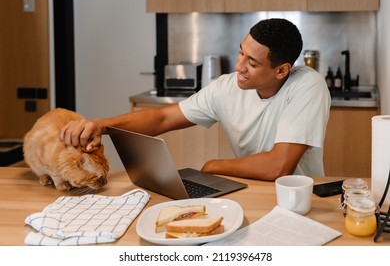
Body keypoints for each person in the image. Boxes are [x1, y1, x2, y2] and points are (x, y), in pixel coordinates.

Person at [60, 18, 331, 181]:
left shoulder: (307, 86)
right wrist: (102, 126)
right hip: (248, 187)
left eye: (252, 62)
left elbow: (278, 166)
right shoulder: (226, 87)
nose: (239, 67)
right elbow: (164, 117)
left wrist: (213, 166)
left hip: (298, 200)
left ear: (281, 70)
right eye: (240, 54)